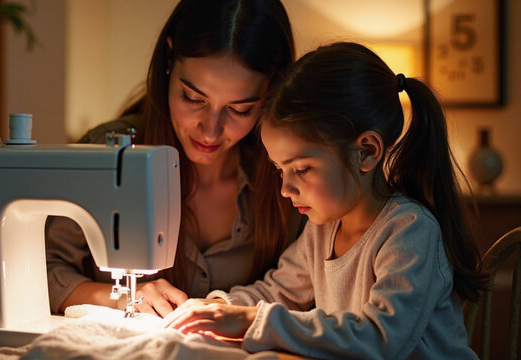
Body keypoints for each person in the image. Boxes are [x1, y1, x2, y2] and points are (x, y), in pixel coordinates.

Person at [164, 42, 488, 359]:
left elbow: (380, 340)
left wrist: (252, 321)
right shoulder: (322, 230)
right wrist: (218, 305)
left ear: (367, 152)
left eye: (301, 169)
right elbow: (278, 291)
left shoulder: (410, 230)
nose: (285, 189)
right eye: (280, 171)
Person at [46, 0, 305, 318]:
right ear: (169, 59)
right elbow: (44, 269)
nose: (210, 131)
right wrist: (123, 297)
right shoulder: (110, 152)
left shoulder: (291, 176)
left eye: (240, 109)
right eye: (194, 98)